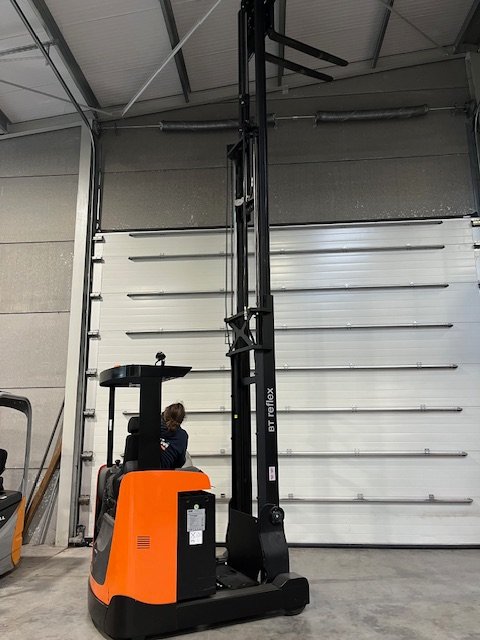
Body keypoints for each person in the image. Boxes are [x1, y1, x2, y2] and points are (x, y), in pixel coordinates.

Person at [160, 402, 189, 470]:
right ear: (181, 420)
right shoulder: (182, 436)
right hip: (165, 473)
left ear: (165, 414)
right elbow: (180, 462)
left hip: (142, 471)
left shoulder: (150, 426)